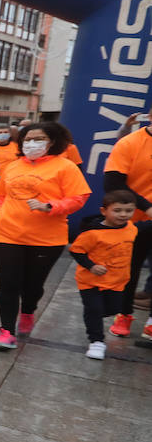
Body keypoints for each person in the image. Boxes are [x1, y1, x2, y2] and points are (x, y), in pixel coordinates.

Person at [0, 121, 92, 350]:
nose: (31, 143)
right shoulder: (13, 166)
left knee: (33, 286)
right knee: (8, 284)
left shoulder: (65, 167)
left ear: (51, 142)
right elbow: (3, 197)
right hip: (8, 233)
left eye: (38, 139)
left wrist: (50, 206)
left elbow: (79, 197)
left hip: (46, 238)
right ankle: (6, 331)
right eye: (27, 139)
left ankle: (28, 310)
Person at [70, 190, 152, 359]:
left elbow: (143, 226)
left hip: (117, 281)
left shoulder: (131, 228)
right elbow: (76, 251)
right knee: (94, 308)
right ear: (103, 211)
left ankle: (92, 317)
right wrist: (91, 266)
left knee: (114, 309)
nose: (123, 215)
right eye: (117, 210)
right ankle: (96, 342)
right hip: (91, 281)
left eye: (128, 211)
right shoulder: (92, 233)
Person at [102, 115, 152, 343]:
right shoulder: (130, 142)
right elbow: (113, 182)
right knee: (128, 271)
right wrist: (147, 207)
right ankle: (124, 315)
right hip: (135, 220)